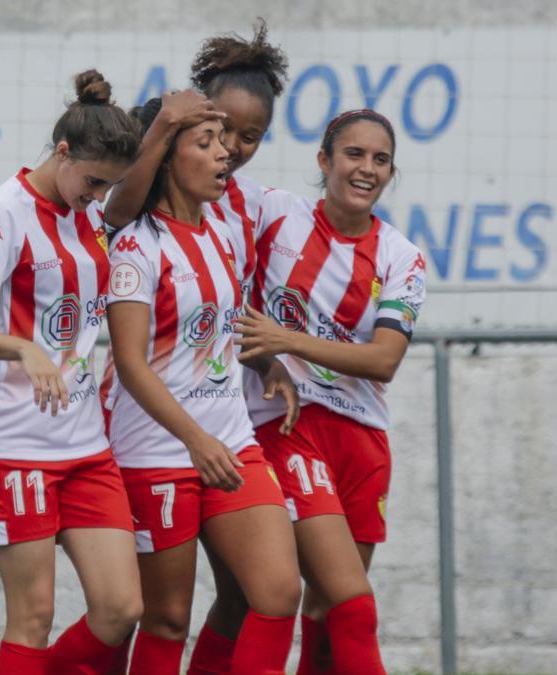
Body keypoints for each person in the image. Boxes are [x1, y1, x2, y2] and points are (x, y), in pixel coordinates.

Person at [102, 23, 298, 673]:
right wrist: (193, 438)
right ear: (169, 152)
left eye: (239, 140)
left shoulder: (229, 221)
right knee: (164, 617)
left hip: (230, 437)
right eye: (210, 139)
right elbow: (131, 361)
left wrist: (266, 358)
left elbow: (224, 323)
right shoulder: (137, 240)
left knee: (277, 592)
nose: (227, 154)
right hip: (159, 446)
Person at [0, 69, 143, 675]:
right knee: (32, 616)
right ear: (61, 153)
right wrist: (24, 350)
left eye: (110, 188)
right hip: (13, 441)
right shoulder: (4, 214)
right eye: (93, 182)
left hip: (85, 444)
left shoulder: (87, 215)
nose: (99, 197)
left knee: (121, 609)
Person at [231, 109, 425, 674]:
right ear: (324, 161)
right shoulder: (276, 215)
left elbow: (384, 360)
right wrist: (270, 356)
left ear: (390, 173)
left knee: (327, 608)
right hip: (290, 427)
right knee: (352, 603)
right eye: (354, 155)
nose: (367, 169)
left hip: (363, 441)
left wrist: (285, 338)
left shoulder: (402, 256)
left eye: (380, 159)